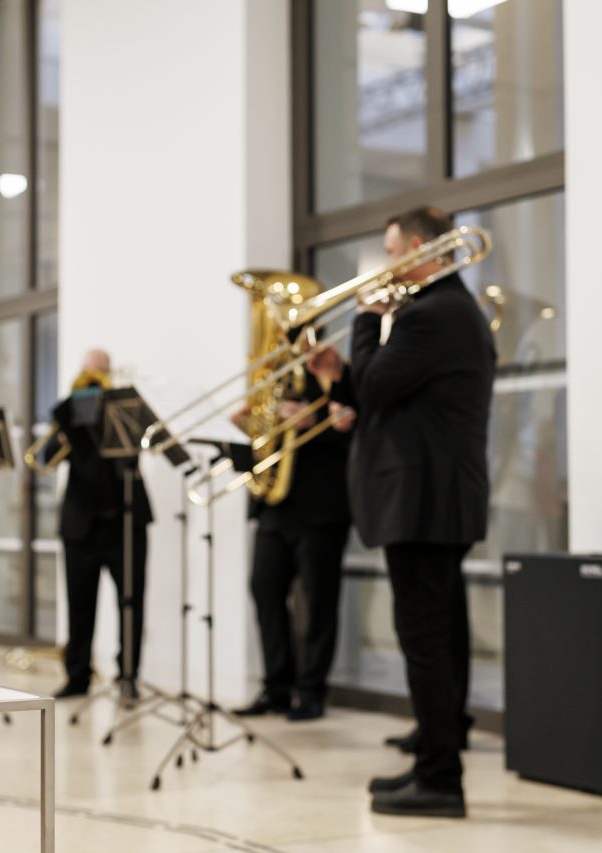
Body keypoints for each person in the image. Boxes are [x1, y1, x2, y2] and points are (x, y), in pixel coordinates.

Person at [308, 206, 496, 819]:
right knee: (434, 637)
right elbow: (388, 396)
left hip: (425, 502)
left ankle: (440, 779)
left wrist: (365, 322)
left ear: (419, 248)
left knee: (423, 641)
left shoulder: (434, 313)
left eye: (392, 252)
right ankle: (431, 760)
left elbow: (378, 389)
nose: (387, 266)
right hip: (433, 499)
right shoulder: (444, 312)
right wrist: (340, 376)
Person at [231, 381, 355, 722]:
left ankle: (312, 691)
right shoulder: (269, 382)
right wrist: (243, 431)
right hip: (273, 509)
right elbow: (250, 457)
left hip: (322, 509)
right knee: (264, 591)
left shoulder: (334, 379)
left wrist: (311, 421)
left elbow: (353, 434)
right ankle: (277, 686)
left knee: (318, 602)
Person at [46, 349, 153, 700]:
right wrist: (63, 433)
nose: (94, 381)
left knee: (131, 603)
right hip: (81, 525)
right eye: (89, 373)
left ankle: (128, 676)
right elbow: (45, 457)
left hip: (125, 521)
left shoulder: (125, 413)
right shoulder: (69, 414)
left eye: (100, 372)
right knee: (79, 605)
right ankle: (77, 676)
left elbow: (137, 452)